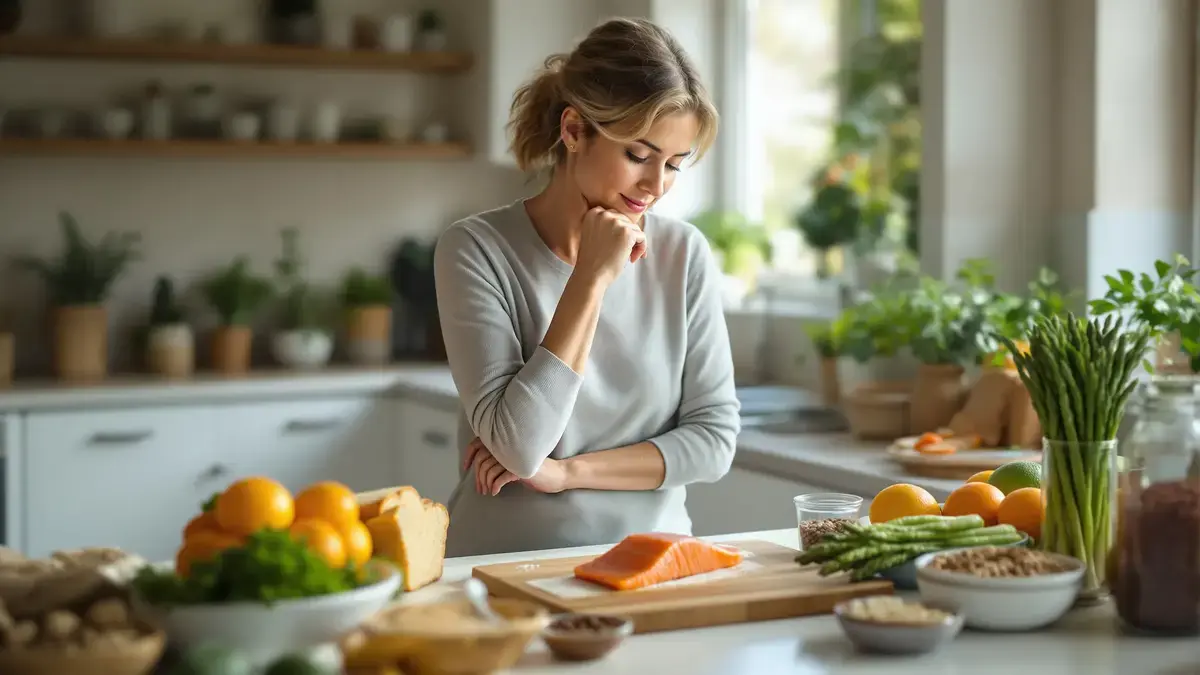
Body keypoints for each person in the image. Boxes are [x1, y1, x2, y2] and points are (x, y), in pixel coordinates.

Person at [432, 16, 740, 558]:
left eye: (674, 164)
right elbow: (520, 446)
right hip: (506, 569)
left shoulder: (683, 254)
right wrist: (591, 278)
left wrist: (570, 472)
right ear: (574, 131)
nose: (656, 185)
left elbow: (713, 442)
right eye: (638, 156)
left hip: (654, 565)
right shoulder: (475, 249)